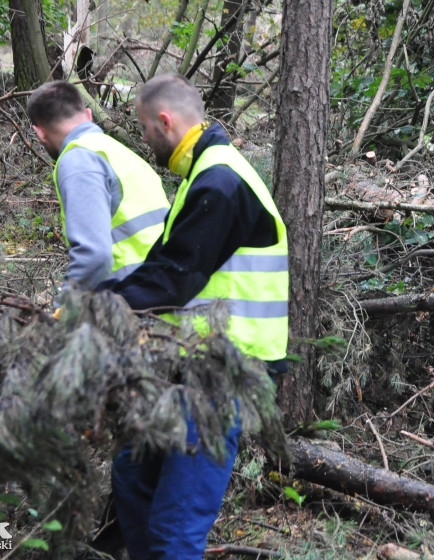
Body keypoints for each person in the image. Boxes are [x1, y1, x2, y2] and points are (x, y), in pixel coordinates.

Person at [99, 73, 289, 560]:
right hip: (192, 361)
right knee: (132, 475)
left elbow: (174, 278)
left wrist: (99, 305)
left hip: (223, 371)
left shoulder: (219, 181)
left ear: (165, 121)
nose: (143, 139)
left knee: (175, 526)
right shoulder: (204, 173)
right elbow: (166, 265)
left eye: (144, 128)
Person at [26, 80, 169, 290]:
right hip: (164, 289)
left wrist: (65, 310)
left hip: (130, 298)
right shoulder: (120, 153)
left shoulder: (78, 160)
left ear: (39, 132)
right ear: (89, 115)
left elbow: (93, 256)